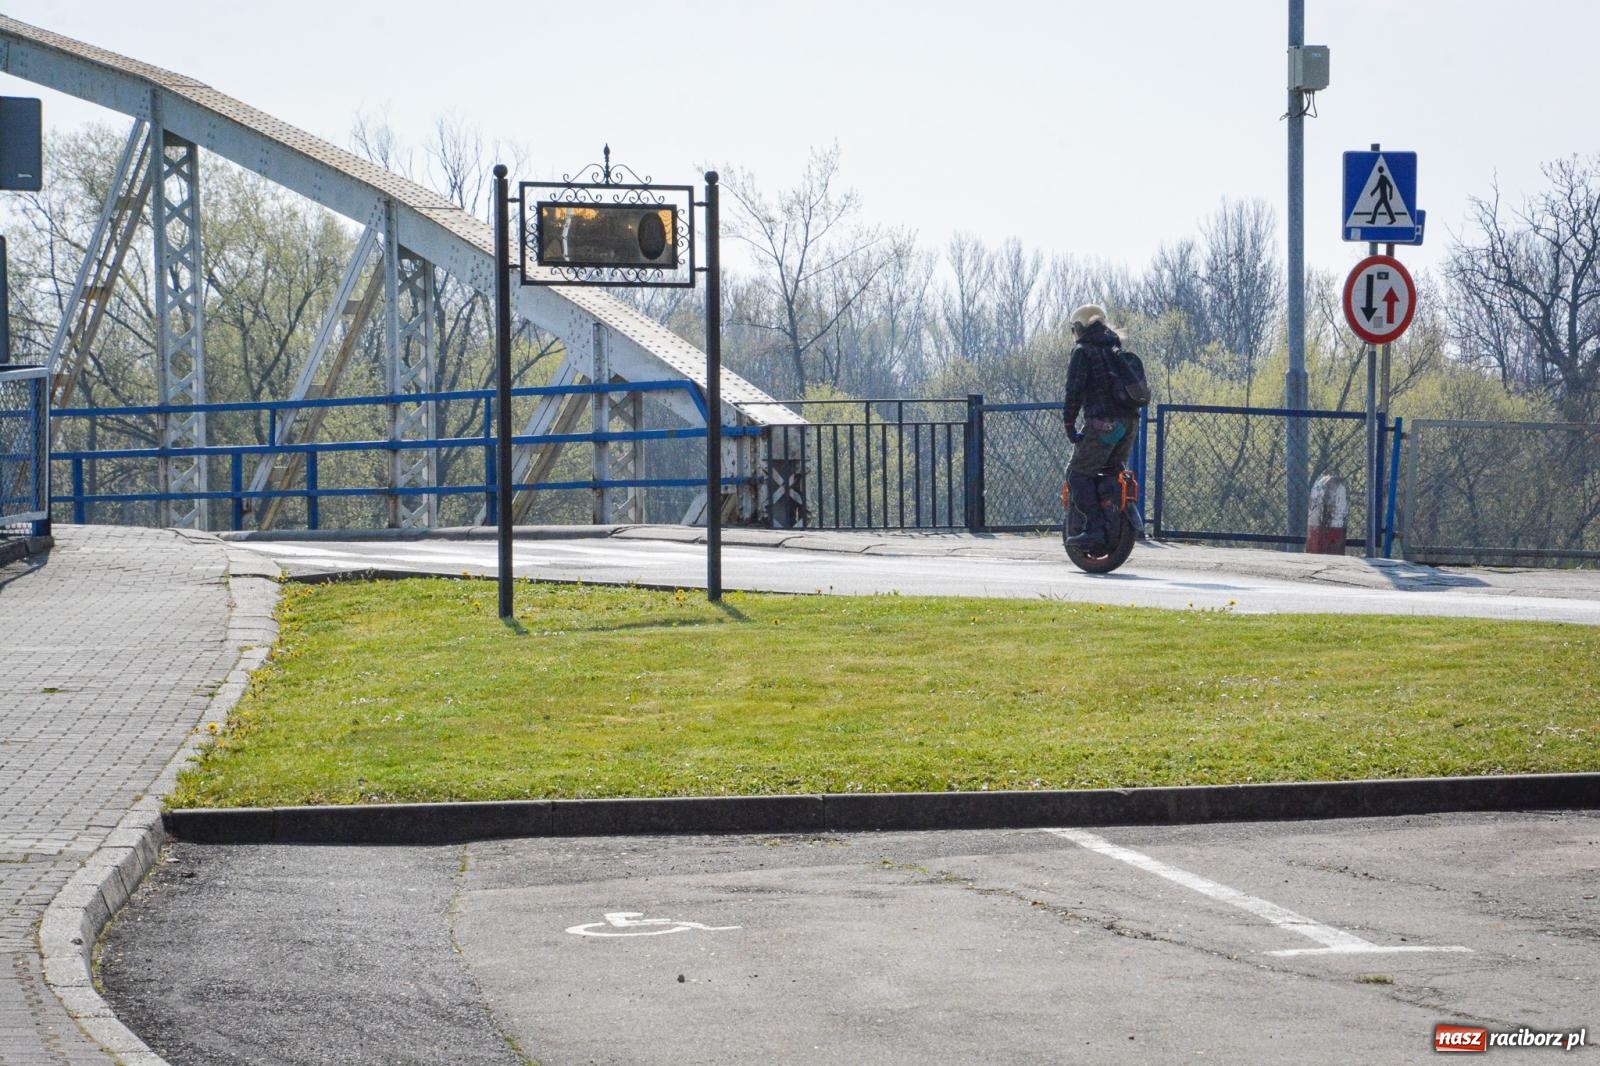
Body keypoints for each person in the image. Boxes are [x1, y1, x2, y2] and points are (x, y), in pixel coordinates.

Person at [1062, 304, 1144, 552]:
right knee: (1109, 471)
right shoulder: (1116, 350)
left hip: (1104, 426)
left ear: (1079, 328)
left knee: (1077, 475)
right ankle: (1112, 517)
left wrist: (1069, 425)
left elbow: (1074, 392)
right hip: (1129, 424)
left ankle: (1095, 529)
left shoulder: (1083, 351)